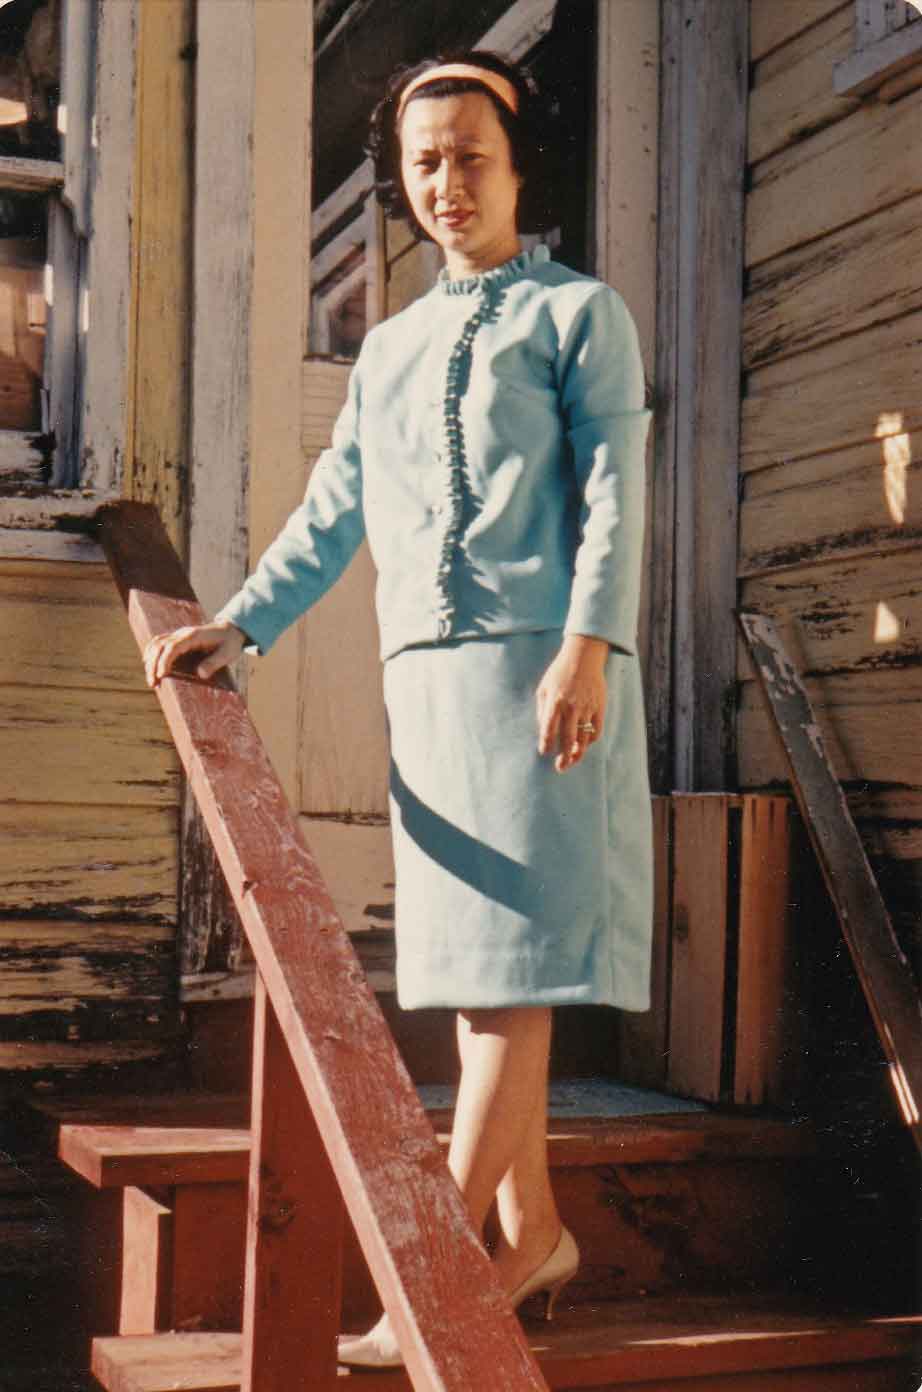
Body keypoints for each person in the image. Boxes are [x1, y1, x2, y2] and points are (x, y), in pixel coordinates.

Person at [143, 49, 654, 1369]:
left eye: (468, 156)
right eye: (423, 161)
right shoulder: (391, 344)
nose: (444, 183)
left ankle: (416, 1274)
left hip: (546, 677)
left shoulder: (578, 315)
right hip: (427, 685)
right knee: (484, 987)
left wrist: (587, 647)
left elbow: (612, 495)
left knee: (505, 990)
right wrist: (243, 620)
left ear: (516, 163)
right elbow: (336, 508)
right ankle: (531, 1231)